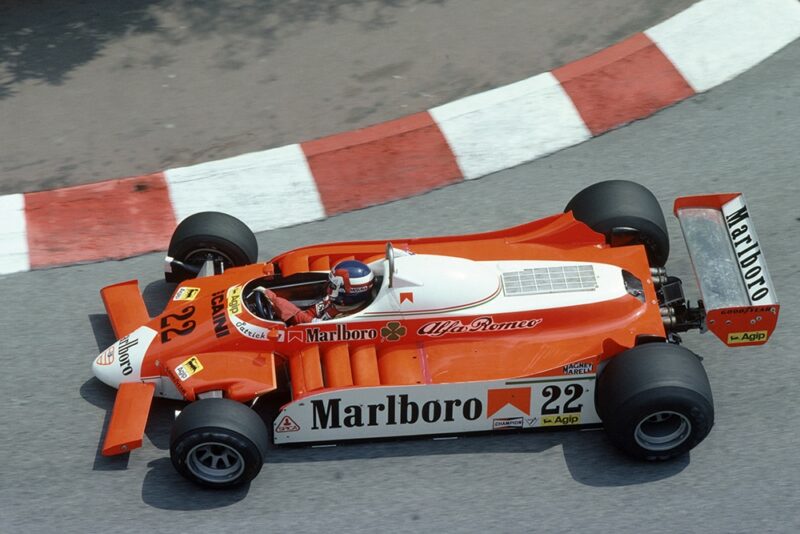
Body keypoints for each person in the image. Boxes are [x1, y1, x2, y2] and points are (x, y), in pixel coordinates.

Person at [257, 260, 375, 325]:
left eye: (333, 286)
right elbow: (311, 312)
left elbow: (310, 324)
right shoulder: (339, 302)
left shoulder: (345, 319)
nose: (328, 289)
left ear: (351, 293)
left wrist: (275, 300)